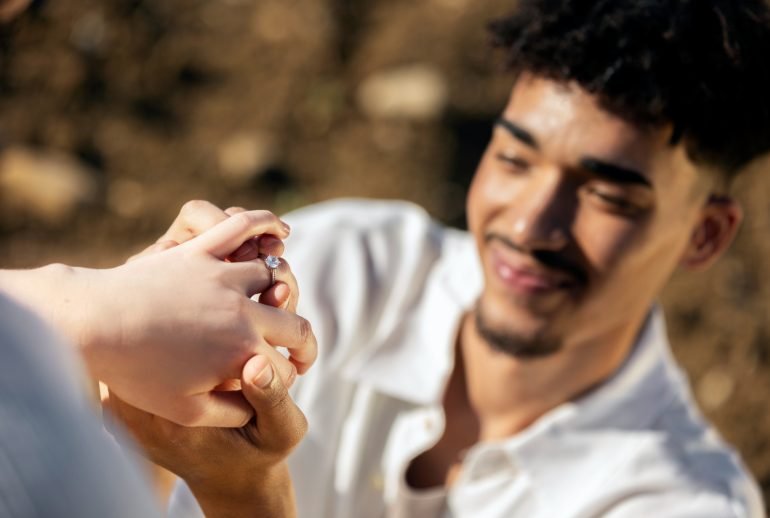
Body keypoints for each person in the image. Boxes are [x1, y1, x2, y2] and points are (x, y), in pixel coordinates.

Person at [114, 0, 770, 517]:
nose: (530, 224)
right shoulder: (344, 271)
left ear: (703, 235)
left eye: (607, 196)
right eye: (513, 158)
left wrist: (242, 494)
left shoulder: (678, 501)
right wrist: (126, 354)